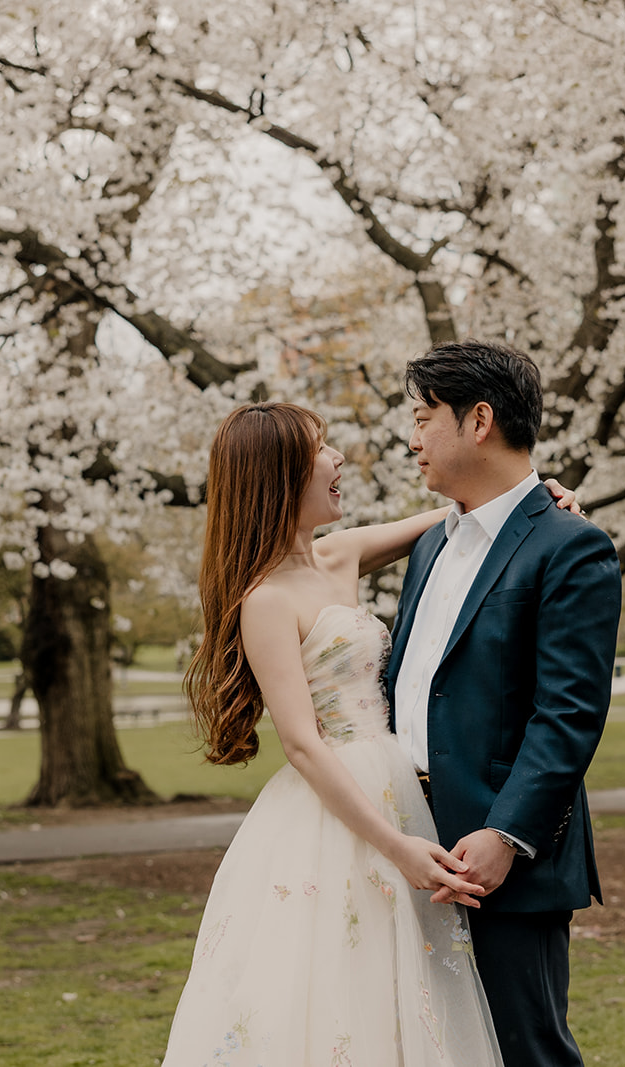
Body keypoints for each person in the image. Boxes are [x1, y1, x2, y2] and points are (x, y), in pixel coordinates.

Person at [162, 400, 583, 1066]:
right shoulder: (266, 599)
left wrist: (539, 495)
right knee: (336, 990)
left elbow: (471, 520)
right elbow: (301, 744)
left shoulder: (342, 553)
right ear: (279, 476)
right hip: (344, 810)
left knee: (414, 990)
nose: (337, 460)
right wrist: (400, 846)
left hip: (403, 783)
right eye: (319, 450)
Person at [387, 339, 623, 1066]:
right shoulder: (432, 544)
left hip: (502, 864)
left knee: (526, 1052)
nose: (412, 436)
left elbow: (570, 712)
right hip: (409, 845)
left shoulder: (570, 547)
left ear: (478, 419)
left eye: (424, 416)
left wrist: (507, 834)